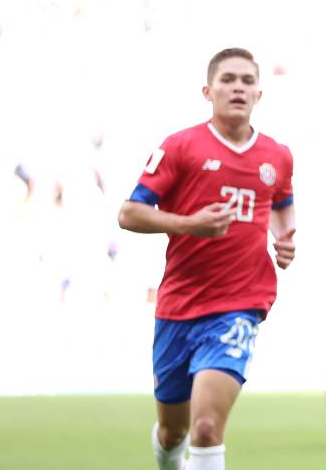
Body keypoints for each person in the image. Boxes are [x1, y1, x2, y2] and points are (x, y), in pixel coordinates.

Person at [118, 47, 296, 470]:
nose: (238, 87)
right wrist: (188, 224)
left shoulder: (277, 155)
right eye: (228, 80)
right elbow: (129, 213)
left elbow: (282, 201)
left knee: (205, 429)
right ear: (208, 90)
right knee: (173, 432)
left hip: (238, 305)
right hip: (178, 307)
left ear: (258, 93)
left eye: (247, 81)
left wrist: (285, 237)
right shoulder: (181, 147)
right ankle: (168, 456)